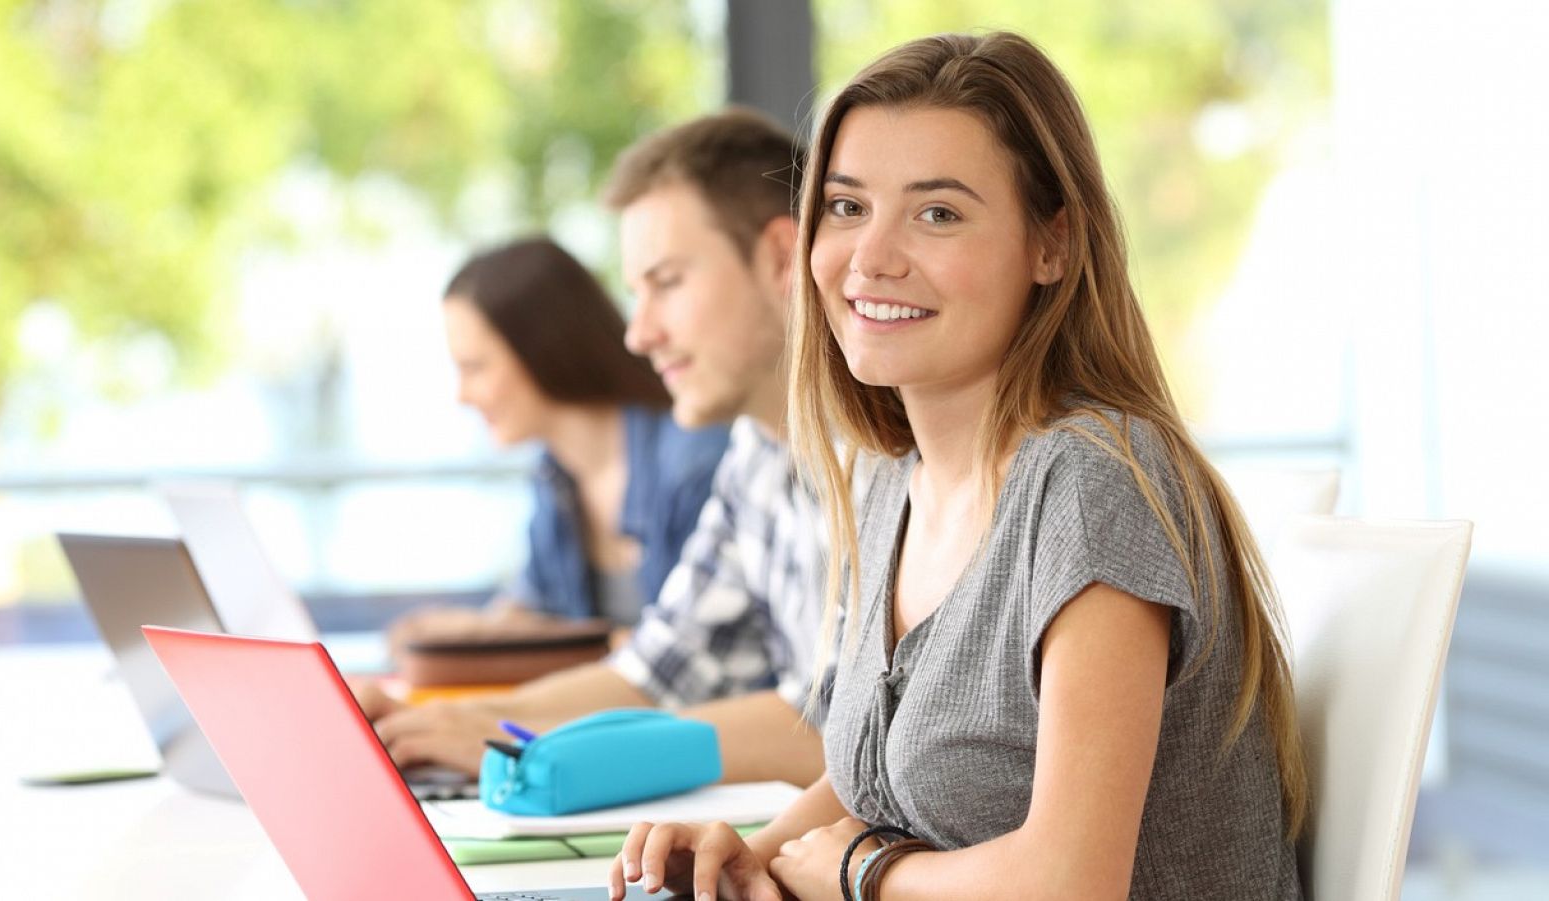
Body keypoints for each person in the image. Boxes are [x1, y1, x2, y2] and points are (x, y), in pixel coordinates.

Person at [612, 32, 1307, 901]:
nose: (871, 257)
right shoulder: (888, 481)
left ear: (1051, 245)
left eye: (937, 213)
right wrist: (750, 853)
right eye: (848, 207)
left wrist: (861, 871)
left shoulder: (1093, 484)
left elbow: (1070, 882)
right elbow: (885, 775)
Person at [357, 110, 832, 787]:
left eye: (667, 282)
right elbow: (656, 672)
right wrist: (460, 720)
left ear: (783, 258)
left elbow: (847, 733)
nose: (638, 334)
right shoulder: (756, 456)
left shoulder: (890, 455)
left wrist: (527, 743)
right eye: (636, 292)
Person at [385, 238, 730, 654]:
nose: (461, 395)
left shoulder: (696, 463)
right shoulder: (555, 476)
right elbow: (532, 610)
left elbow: (690, 658)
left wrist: (555, 643)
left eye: (474, 367)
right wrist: (469, 631)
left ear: (542, 350)